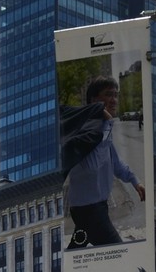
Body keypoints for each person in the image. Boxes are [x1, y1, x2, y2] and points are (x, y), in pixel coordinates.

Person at [61, 77, 145, 249]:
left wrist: (135, 181)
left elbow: (115, 163)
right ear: (94, 101)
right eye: (108, 95)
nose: (114, 100)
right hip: (89, 210)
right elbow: (92, 167)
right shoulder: (86, 131)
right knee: (117, 253)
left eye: (116, 95)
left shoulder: (102, 131)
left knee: (76, 249)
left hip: (92, 208)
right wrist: (106, 124)